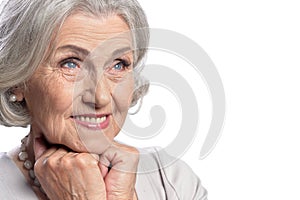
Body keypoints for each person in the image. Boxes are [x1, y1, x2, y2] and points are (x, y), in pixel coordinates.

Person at [0, 0, 208, 199]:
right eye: (70, 64)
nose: (100, 97)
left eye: (118, 65)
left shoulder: (172, 180)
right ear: (18, 81)